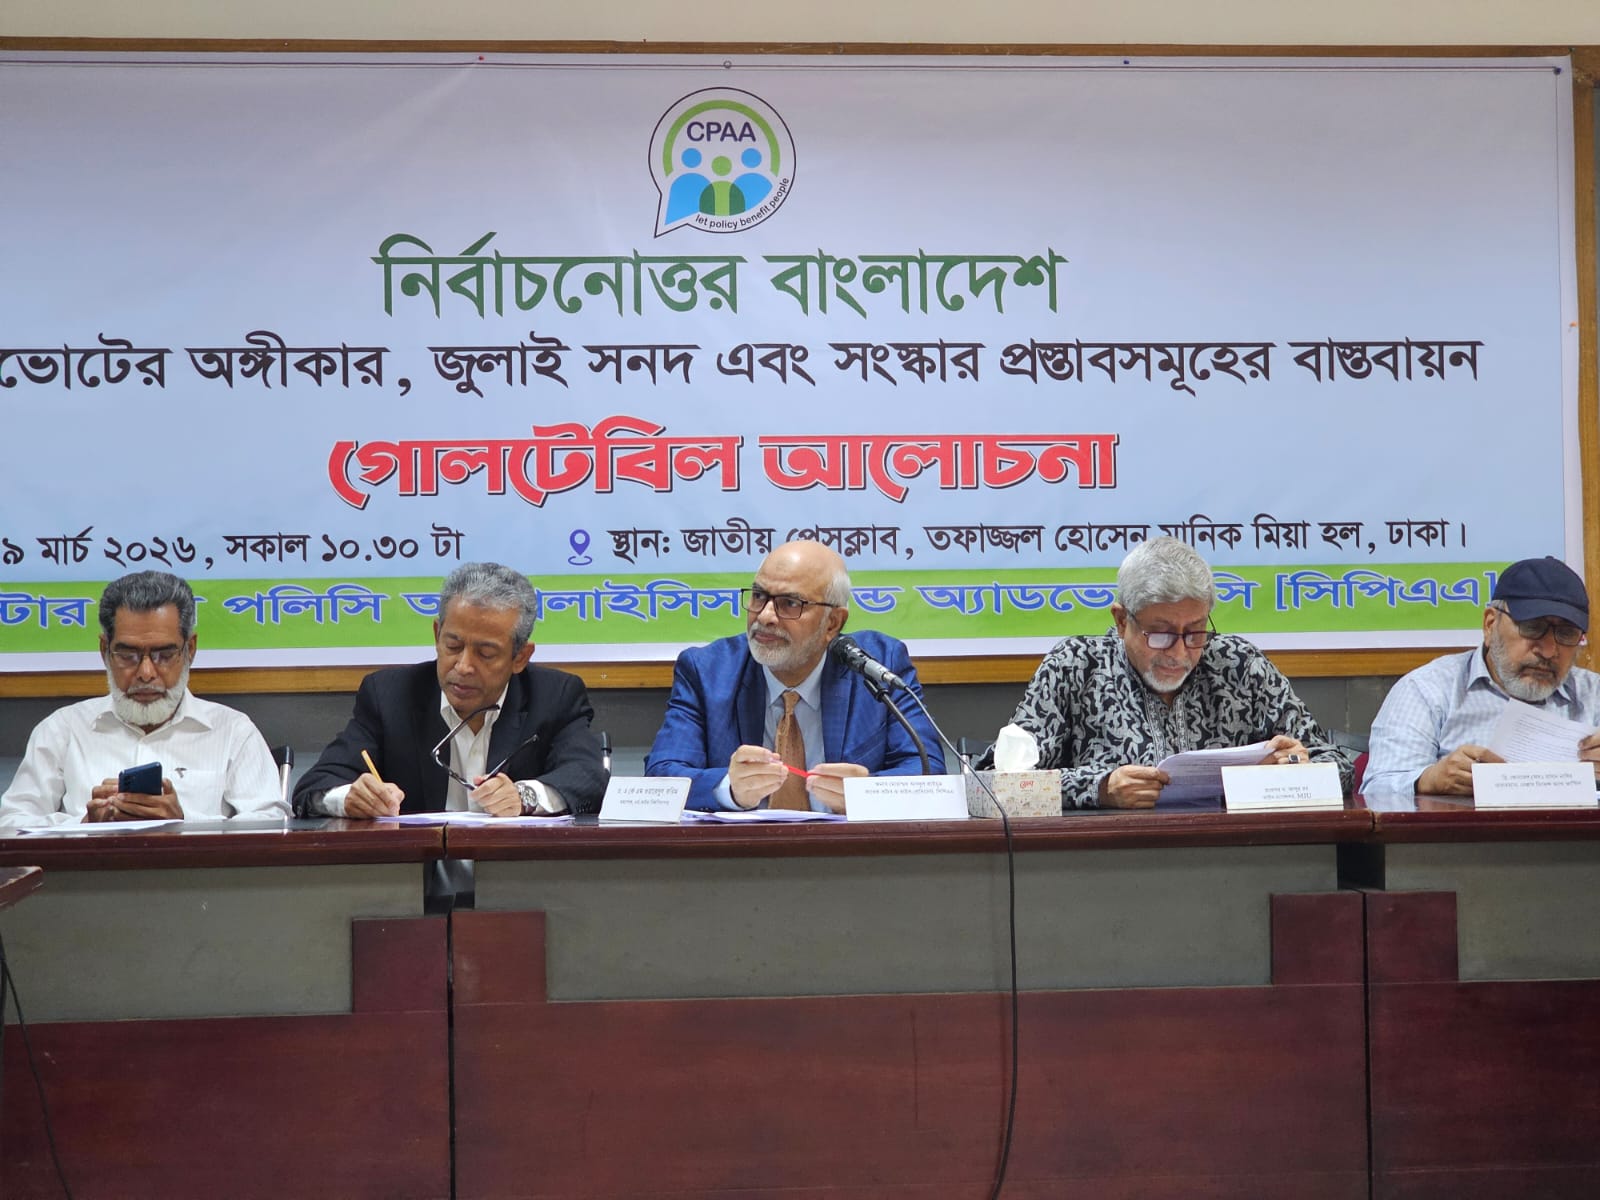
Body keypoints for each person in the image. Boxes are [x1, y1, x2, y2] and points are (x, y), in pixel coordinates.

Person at [996, 536, 1352, 809]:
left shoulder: (1240, 665)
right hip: (1101, 865)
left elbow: (1338, 766)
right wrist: (1100, 788)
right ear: (1121, 620)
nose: (1179, 653)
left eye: (1195, 632)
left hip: (1238, 858)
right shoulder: (1074, 667)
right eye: (1161, 634)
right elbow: (1001, 786)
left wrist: (1296, 768)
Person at [645, 539, 944, 812]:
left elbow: (928, 771)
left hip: (850, 851)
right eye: (759, 596)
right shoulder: (708, 671)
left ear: (832, 623)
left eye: (790, 603)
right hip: (740, 853)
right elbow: (662, 778)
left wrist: (865, 793)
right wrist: (729, 788)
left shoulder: (878, 665)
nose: (765, 616)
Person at [293, 562, 607, 819]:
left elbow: (589, 778)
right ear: (437, 635)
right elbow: (314, 787)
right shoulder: (389, 695)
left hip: (514, 871)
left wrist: (524, 796)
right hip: (414, 871)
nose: (464, 666)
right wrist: (349, 798)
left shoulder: (554, 696)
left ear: (520, 657)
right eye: (453, 646)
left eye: (486, 653)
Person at [0, 570, 286, 828]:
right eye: (128, 655)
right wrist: (85, 824)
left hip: (194, 872)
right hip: (92, 871)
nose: (146, 673)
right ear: (104, 650)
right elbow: (10, 825)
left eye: (164, 655)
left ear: (190, 650)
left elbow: (272, 825)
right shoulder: (62, 730)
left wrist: (183, 823)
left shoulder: (234, 731)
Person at [1364, 556, 1600, 796]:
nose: (1549, 651)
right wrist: (1428, 780)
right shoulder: (1428, 690)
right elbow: (1376, 788)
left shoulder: (1594, 694)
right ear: (1490, 624)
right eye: (1532, 628)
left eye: (1567, 633)